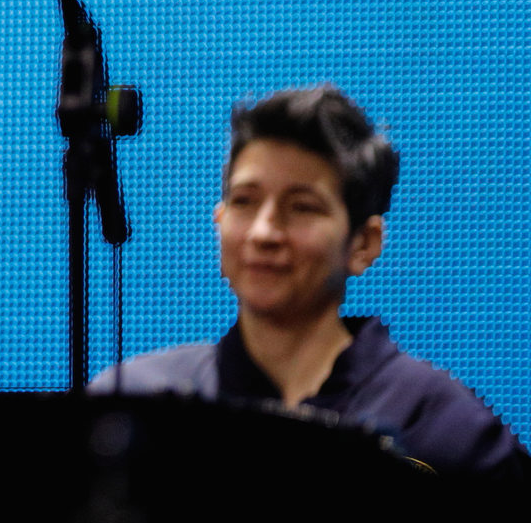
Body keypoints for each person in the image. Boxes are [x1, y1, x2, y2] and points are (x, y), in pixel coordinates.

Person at [95, 85, 525, 478]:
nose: (264, 232)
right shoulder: (136, 410)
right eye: (244, 201)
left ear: (364, 243)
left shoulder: (443, 429)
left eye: (301, 207)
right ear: (219, 221)